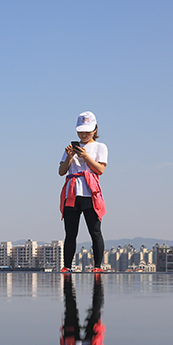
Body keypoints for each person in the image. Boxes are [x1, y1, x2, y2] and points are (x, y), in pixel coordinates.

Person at [58, 111, 107, 272]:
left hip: (89, 193)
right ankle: (67, 266)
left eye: (87, 131)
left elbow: (100, 169)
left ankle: (97, 266)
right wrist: (69, 157)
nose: (84, 134)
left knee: (95, 231)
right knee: (70, 233)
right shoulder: (70, 148)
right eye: (81, 131)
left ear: (95, 130)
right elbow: (61, 171)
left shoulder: (100, 147)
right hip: (72, 193)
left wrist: (85, 156)